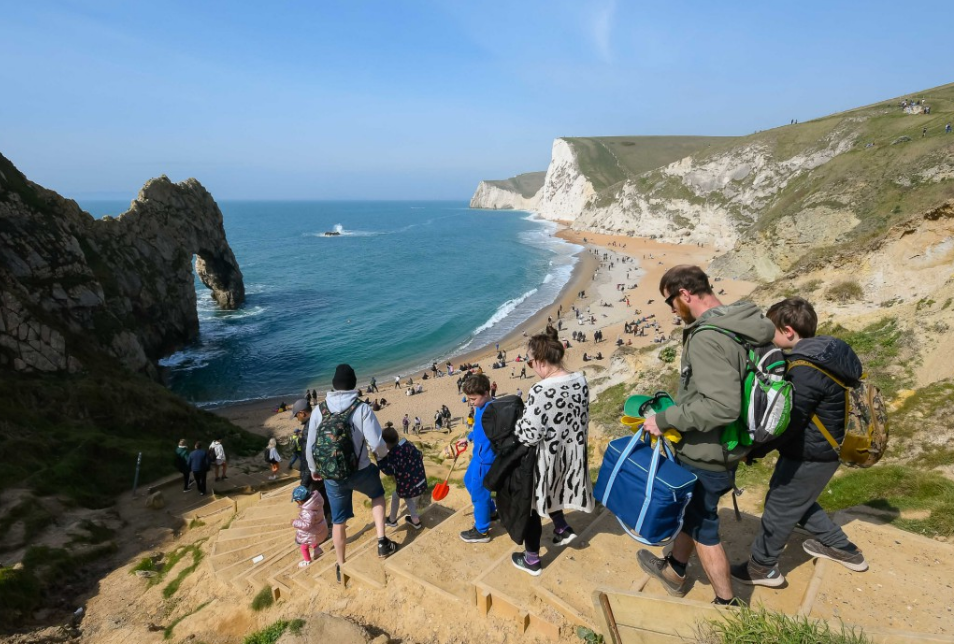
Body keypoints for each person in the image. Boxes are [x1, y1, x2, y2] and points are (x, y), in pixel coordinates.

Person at [639, 265, 775, 606]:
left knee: (704, 527)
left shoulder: (707, 336)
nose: (672, 311)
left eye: (671, 302)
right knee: (695, 512)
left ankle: (726, 603)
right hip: (733, 442)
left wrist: (665, 418)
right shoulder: (742, 321)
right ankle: (675, 568)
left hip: (709, 450)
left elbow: (722, 406)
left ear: (684, 295)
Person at [731, 298, 868, 587]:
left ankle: (762, 568)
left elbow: (789, 422)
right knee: (792, 500)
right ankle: (841, 548)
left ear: (789, 330)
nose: (768, 335)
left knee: (780, 506)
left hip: (812, 453)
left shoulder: (805, 369)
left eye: (772, 329)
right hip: (824, 448)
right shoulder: (829, 350)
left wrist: (752, 452)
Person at [509, 332, 594, 575]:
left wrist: (517, 427)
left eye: (530, 362)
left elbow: (529, 435)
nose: (531, 367)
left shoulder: (540, 390)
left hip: (547, 458)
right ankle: (561, 527)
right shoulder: (580, 380)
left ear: (541, 360)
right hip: (572, 453)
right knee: (555, 490)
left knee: (532, 506)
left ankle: (532, 560)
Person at [306, 364, 398, 582]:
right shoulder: (362, 408)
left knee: (339, 521)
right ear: (354, 384)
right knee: (377, 495)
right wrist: (383, 456)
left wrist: (314, 469)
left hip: (332, 476)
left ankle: (341, 565)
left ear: (333, 385)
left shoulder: (320, 410)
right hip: (361, 470)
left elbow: (311, 445)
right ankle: (382, 541)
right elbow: (376, 443)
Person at [460, 373, 497, 543]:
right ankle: (490, 511)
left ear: (485, 393)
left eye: (473, 399)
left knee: (479, 494)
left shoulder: (491, 411)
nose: (470, 402)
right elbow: (479, 430)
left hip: (485, 459)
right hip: (478, 456)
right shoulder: (481, 407)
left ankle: (482, 531)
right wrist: (468, 437)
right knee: (468, 480)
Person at [378, 425, 427, 530]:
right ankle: (414, 520)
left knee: (401, 495)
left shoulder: (392, 456)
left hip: (408, 487)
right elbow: (420, 455)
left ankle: (393, 520)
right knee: (401, 495)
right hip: (421, 482)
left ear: (385, 444)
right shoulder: (408, 444)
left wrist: (380, 460)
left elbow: (388, 471)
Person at [291, 485, 329, 568]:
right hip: (319, 527)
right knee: (313, 539)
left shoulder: (307, 511)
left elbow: (307, 525)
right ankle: (317, 550)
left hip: (311, 532)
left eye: (296, 501)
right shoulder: (316, 503)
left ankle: (307, 561)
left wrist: (295, 522)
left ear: (300, 501)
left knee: (304, 546)